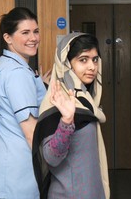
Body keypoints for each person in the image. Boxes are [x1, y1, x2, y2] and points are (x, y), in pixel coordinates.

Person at [0, 7, 47, 199]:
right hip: (18, 174)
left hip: (3, 167)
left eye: (36, 31)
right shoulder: (17, 73)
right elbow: (31, 132)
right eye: (25, 32)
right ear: (7, 38)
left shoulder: (2, 65)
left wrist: (39, 83)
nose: (33, 38)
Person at [32, 32, 110, 199]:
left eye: (95, 59)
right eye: (83, 60)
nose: (92, 66)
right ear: (66, 64)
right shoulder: (58, 101)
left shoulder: (88, 101)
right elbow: (51, 158)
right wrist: (66, 121)